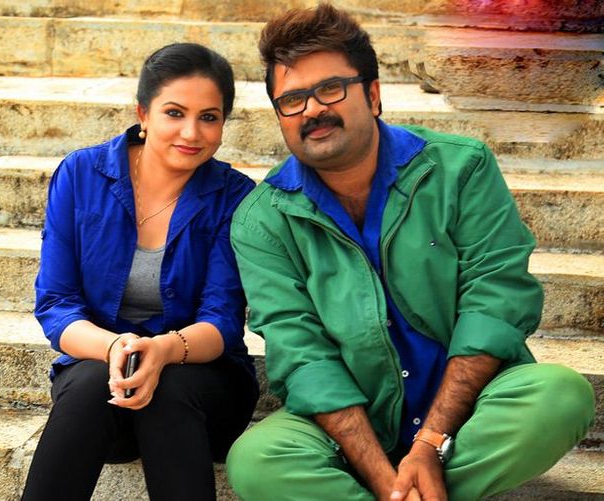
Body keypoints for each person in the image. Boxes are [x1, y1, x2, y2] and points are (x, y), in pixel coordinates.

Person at [225, 5, 595, 501]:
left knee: (560, 397)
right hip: (357, 431)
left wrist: (430, 444)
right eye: (291, 100)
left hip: (467, 417)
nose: (311, 110)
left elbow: (495, 301)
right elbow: (303, 356)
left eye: (330, 89)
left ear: (373, 95)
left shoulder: (459, 169)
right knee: (256, 462)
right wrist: (382, 475)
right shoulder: (263, 220)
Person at [22, 43, 259, 501]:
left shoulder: (234, 196)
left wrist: (163, 349)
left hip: (202, 393)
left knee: (169, 386)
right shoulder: (81, 174)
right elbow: (56, 304)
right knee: (91, 383)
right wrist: (115, 347)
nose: (191, 132)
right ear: (143, 113)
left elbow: (224, 320)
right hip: (103, 386)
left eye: (209, 117)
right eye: (174, 113)